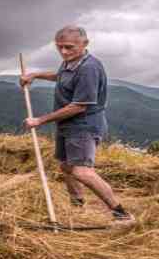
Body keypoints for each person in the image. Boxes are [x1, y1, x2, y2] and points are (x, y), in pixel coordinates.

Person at [21, 25, 134, 224]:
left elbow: (79, 106)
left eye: (69, 47)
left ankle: (122, 214)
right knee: (66, 167)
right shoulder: (70, 62)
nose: (64, 52)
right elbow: (60, 77)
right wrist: (35, 75)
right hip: (67, 125)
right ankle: (78, 206)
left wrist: (40, 120)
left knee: (81, 171)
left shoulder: (89, 68)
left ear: (85, 44)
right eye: (60, 47)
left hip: (83, 125)